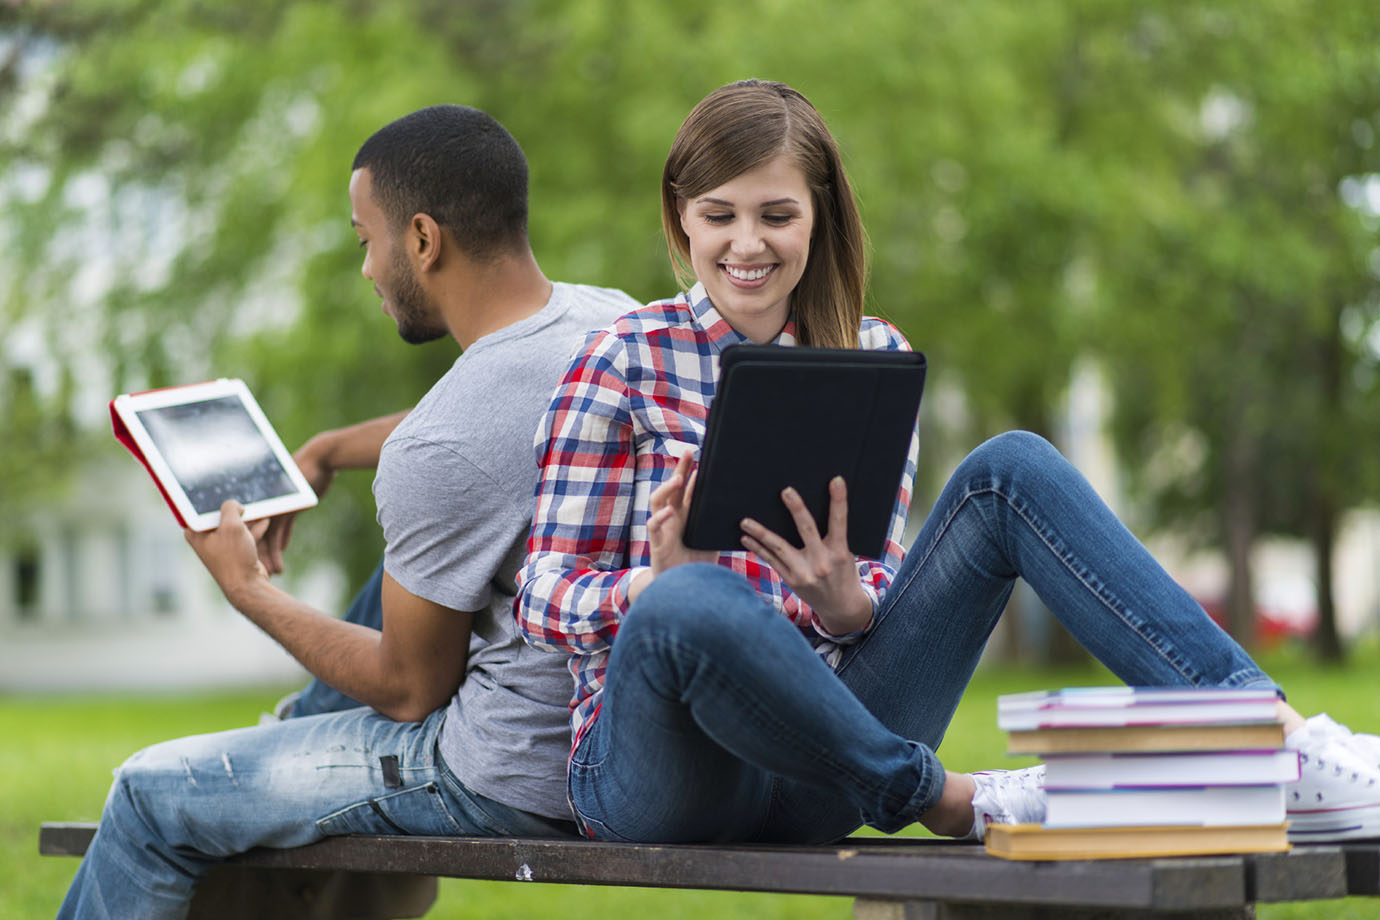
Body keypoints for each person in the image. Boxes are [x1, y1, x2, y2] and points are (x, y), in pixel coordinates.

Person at [514, 79, 1380, 846]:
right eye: (719, 216)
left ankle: (1279, 740)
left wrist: (850, 607)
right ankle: (954, 802)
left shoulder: (875, 355)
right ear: (681, 219)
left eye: (777, 215)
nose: (749, 244)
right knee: (695, 598)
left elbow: (879, 587)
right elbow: (540, 595)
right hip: (663, 778)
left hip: (824, 767)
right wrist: (647, 590)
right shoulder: (623, 357)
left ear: (818, 215)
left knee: (1012, 466)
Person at [57, 104, 638, 919]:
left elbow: (409, 689)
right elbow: (498, 431)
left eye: (367, 240)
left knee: (151, 790)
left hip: (504, 769)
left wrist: (248, 590)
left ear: (424, 240)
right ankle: (292, 731)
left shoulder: (439, 449)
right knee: (406, 576)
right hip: (607, 739)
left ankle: (277, 744)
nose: (366, 270)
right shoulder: (605, 319)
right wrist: (331, 447)